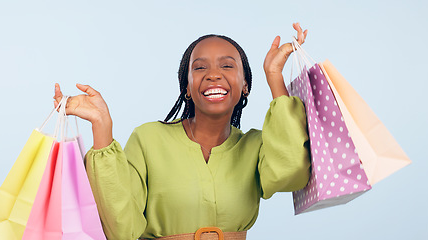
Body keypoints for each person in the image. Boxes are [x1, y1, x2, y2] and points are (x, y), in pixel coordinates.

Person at [54, 23, 310, 240]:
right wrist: (101, 125)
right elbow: (122, 229)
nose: (213, 75)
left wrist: (274, 75)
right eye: (199, 68)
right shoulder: (148, 139)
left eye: (227, 66)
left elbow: (291, 174)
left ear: (245, 85)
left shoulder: (256, 145)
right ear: (186, 87)